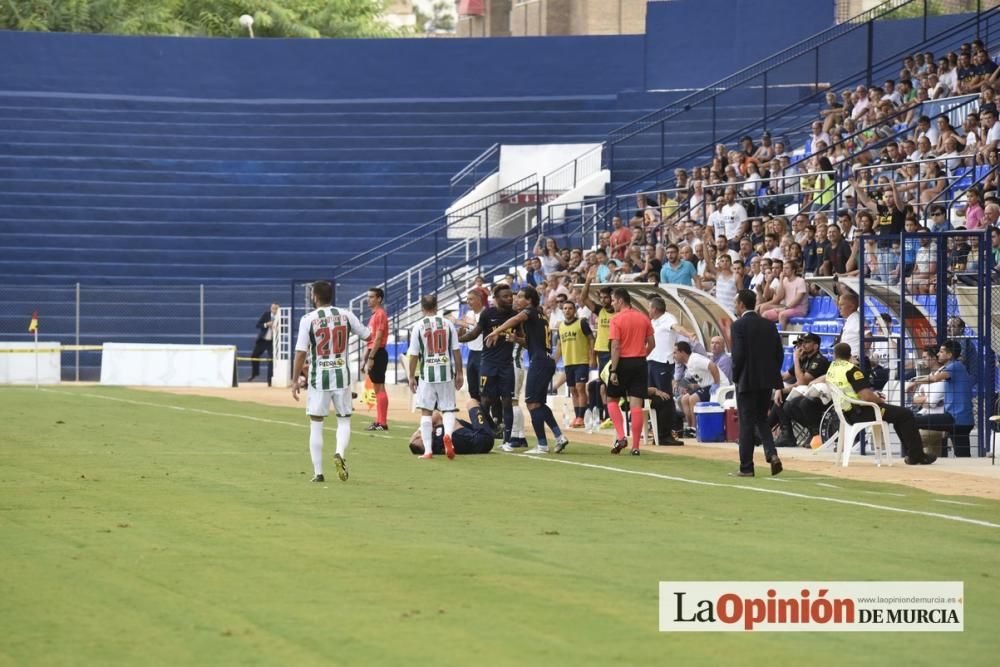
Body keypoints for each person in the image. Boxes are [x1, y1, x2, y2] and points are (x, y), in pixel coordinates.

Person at [291, 281, 370, 483]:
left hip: (319, 377)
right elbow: (367, 335)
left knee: (316, 423)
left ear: (315, 296)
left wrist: (295, 379)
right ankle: (340, 453)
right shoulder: (346, 314)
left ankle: (318, 473)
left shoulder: (308, 319)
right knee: (344, 419)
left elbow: (301, 352)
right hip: (342, 375)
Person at [485, 286, 569, 454]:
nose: (517, 299)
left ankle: (542, 444)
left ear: (529, 300)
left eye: (521, 297)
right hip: (546, 360)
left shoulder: (530, 312)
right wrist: (517, 339)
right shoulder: (541, 315)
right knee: (539, 403)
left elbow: (515, 320)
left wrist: (498, 331)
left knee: (531, 403)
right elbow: (531, 343)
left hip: (539, 362)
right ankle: (559, 437)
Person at [826, 342, 931, 464]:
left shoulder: (832, 369)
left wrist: (873, 395)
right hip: (861, 412)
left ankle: (913, 454)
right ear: (850, 355)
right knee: (905, 414)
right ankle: (917, 456)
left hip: (845, 413)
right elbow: (866, 396)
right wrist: (879, 400)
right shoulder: (852, 370)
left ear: (834, 354)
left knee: (898, 415)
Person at [730, 289, 784, 477]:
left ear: (742, 305)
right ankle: (772, 454)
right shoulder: (769, 325)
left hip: (746, 380)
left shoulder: (738, 325)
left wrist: (735, 376)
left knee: (746, 423)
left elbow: (738, 355)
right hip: (766, 380)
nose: (735, 306)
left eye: (736, 303)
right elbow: (779, 353)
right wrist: (771, 374)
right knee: (761, 419)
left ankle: (746, 467)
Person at [407, 294, 464, 460]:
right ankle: (448, 436)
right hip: (446, 371)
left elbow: (414, 355)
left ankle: (428, 451)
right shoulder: (448, 324)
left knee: (426, 412)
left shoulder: (418, 326)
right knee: (448, 408)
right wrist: (459, 373)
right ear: (437, 306)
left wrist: (411, 376)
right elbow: (456, 350)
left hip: (427, 374)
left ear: (422, 308)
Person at [458, 284, 516, 448]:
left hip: (506, 365)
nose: (509, 298)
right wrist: (457, 340)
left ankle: (508, 440)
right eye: (505, 296)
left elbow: (524, 338)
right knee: (485, 400)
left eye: (510, 296)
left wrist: (516, 339)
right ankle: (484, 431)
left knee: (507, 401)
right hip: (488, 364)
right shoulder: (488, 314)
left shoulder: (515, 316)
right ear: (496, 299)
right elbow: (475, 333)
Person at [605, 288, 655, 455]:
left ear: (620, 301)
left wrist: (613, 370)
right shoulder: (643, 317)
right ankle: (636, 447)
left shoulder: (616, 319)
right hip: (640, 363)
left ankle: (621, 436)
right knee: (636, 405)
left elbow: (615, 346)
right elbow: (652, 343)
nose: (612, 303)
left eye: (613, 300)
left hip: (622, 362)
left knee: (611, 398)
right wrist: (641, 356)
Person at [909, 340, 974, 457]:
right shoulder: (956, 367)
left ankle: (916, 455)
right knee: (963, 456)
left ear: (949, 355)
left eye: (942, 351)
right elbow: (933, 377)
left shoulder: (954, 366)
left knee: (912, 421)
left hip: (956, 418)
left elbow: (934, 379)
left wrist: (914, 382)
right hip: (961, 419)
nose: (938, 354)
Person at [771, 333, 830, 447]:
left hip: (819, 398)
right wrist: (774, 384)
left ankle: (810, 433)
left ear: (816, 346)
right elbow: (784, 376)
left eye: (806, 342)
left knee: (786, 401)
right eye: (801, 343)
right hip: (804, 394)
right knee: (773, 394)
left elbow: (802, 382)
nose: (802, 346)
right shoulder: (804, 359)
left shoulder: (818, 360)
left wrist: (796, 359)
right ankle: (781, 433)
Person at [553, 300, 594, 428]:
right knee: (573, 390)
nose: (567, 311)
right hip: (568, 362)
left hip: (581, 361)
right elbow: (559, 346)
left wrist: (592, 357)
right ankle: (577, 416)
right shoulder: (561, 326)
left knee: (580, 387)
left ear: (574, 310)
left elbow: (591, 339)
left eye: (570, 308)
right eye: (565, 308)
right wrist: (554, 362)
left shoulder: (581, 322)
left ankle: (581, 417)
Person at [408, 399, 496, 456]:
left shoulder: (435, 448)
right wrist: (420, 429)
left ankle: (493, 428)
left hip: (476, 440)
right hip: (484, 438)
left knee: (455, 423)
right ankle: (494, 428)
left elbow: (413, 442)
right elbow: (436, 415)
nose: (421, 435)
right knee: (471, 403)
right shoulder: (439, 434)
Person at [673, 341, 721, 435]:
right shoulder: (688, 363)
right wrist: (695, 386)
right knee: (684, 399)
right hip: (707, 385)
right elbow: (703, 378)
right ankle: (690, 427)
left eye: (675, 352)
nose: (673, 355)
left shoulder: (694, 359)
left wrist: (716, 383)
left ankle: (696, 429)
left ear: (682, 353)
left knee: (693, 399)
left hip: (718, 385)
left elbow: (713, 366)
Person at [363, 287, 390, 431]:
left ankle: (382, 422)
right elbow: (371, 339)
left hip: (378, 353)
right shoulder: (374, 315)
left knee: (379, 387)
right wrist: (365, 358)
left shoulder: (380, 314)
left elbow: (378, 338)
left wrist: (371, 356)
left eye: (372, 297)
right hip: (375, 352)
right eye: (368, 296)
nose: (369, 299)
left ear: (379, 298)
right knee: (377, 387)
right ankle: (380, 421)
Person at [248, 302, 279, 385]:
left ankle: (270, 380)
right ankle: (255, 373)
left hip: (272, 342)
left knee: (271, 359)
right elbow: (258, 325)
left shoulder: (280, 317)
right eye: (272, 308)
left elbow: (284, 329)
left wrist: (277, 328)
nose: (274, 310)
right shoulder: (266, 314)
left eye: (276, 308)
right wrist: (266, 324)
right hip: (263, 340)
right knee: (254, 355)